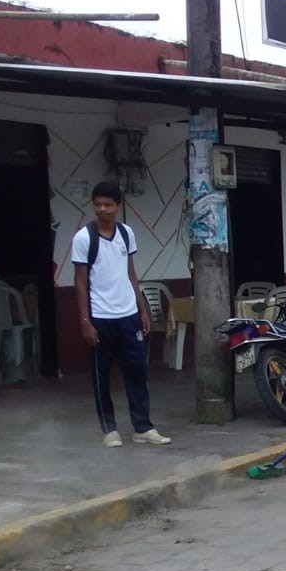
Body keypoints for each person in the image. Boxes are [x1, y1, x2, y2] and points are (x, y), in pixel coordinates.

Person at [71, 181, 171, 448]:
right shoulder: (84, 238)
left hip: (128, 315)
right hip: (100, 316)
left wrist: (142, 308)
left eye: (108, 204)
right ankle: (109, 429)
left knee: (137, 371)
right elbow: (80, 281)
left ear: (118, 206)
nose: (102, 209)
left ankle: (143, 427)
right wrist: (85, 321)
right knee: (101, 375)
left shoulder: (126, 234)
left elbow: (130, 273)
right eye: (98, 204)